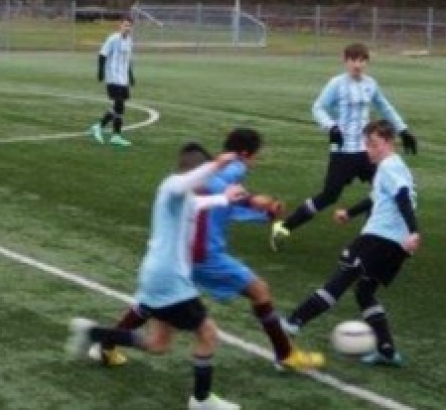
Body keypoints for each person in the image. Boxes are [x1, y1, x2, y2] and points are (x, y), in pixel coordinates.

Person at [91, 129, 325, 373]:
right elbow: (221, 193)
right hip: (205, 256)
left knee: (154, 307)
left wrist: (259, 209)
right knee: (259, 291)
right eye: (256, 156)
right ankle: (285, 354)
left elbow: (222, 202)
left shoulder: (208, 172)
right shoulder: (232, 170)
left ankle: (106, 342)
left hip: (180, 257)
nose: (256, 162)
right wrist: (258, 205)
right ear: (245, 154)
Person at [67, 146, 245, 410]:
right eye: (205, 177)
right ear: (195, 171)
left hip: (157, 278)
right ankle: (201, 400)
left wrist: (225, 198)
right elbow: (184, 184)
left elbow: (198, 204)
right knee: (208, 335)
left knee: (158, 344)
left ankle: (93, 333)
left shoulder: (184, 199)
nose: (207, 182)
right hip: (170, 281)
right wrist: (217, 164)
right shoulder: (172, 185)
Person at [283, 120, 420, 367]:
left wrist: (414, 231)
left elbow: (402, 197)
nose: (369, 150)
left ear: (389, 143)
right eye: (367, 144)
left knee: (343, 276)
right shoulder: (396, 167)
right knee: (365, 291)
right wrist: (350, 213)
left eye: (374, 144)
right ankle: (387, 351)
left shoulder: (388, 166)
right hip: (396, 245)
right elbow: (377, 198)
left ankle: (294, 322)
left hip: (379, 237)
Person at [271, 42, 417, 249]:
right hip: (342, 151)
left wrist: (403, 130)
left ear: (367, 62)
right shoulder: (336, 84)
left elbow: (385, 107)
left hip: (366, 152)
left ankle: (372, 238)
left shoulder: (371, 84)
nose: (357, 65)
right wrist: (331, 126)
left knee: (382, 190)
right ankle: (283, 227)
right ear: (345, 61)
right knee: (329, 196)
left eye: (362, 60)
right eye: (353, 60)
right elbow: (318, 108)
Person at [89, 18, 135, 147]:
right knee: (119, 104)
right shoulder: (113, 39)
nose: (127, 28)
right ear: (120, 25)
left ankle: (99, 126)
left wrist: (130, 75)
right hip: (112, 77)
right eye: (125, 25)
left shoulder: (129, 41)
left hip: (123, 78)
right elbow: (102, 55)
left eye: (130, 26)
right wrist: (101, 71)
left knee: (119, 106)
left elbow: (127, 60)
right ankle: (116, 135)